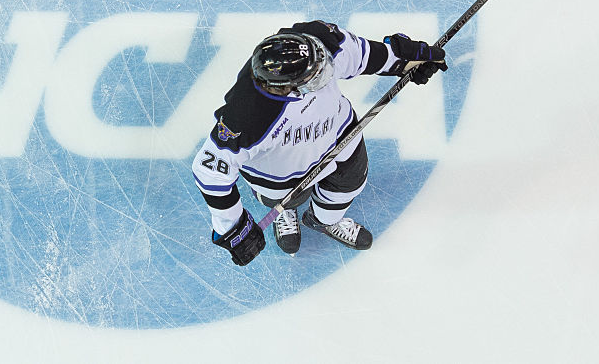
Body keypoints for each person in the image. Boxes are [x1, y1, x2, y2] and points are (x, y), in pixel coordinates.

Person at [191, 20, 447, 266]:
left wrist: (401, 61)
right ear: (284, 88)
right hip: (282, 174)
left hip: (341, 137)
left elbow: (359, 55)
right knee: (283, 201)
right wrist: (232, 226)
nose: (325, 73)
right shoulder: (246, 116)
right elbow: (210, 171)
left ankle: (324, 221)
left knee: (349, 184)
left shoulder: (319, 44)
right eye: (313, 78)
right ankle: (286, 212)